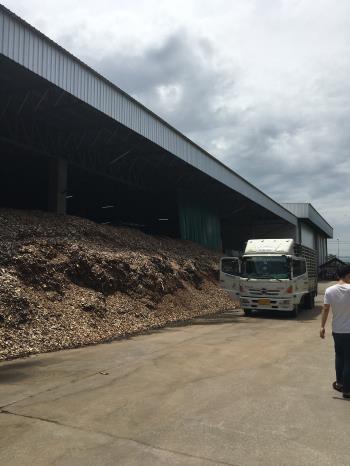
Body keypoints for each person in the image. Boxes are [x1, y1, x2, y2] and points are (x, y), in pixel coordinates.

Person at [320, 265, 350, 399]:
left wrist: (322, 326)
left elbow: (326, 309)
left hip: (337, 330)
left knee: (339, 356)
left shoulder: (329, 290)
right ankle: (347, 390)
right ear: (348, 275)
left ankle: (339, 383)